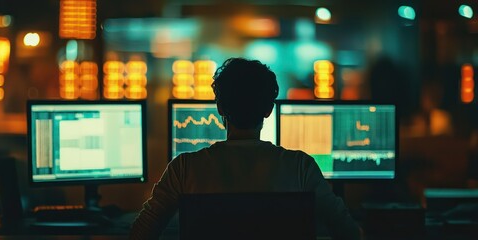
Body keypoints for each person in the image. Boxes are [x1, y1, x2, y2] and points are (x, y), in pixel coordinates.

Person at [130, 58, 361, 239]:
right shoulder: (301, 167)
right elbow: (348, 232)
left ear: (219, 107)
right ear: (269, 109)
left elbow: (141, 233)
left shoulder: (184, 168)